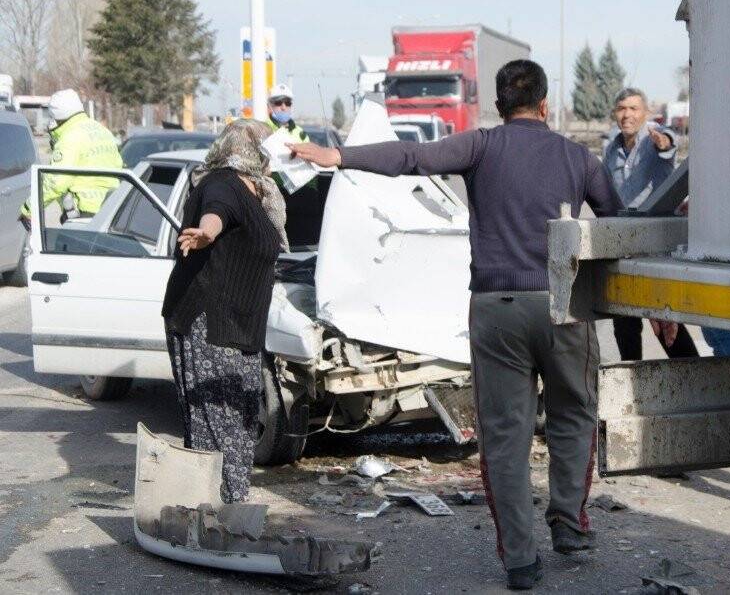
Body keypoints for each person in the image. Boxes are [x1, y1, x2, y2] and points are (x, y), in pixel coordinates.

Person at [289, 60, 620, 591]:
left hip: (494, 310)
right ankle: (568, 521)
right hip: (564, 305)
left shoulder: (481, 147)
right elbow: (618, 225)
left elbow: (411, 158)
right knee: (574, 414)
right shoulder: (578, 157)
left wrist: (339, 156)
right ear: (544, 104)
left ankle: (520, 560)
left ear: (498, 104)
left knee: (506, 437)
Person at [161, 119, 287, 504]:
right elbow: (216, 212)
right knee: (218, 421)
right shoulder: (222, 183)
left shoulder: (259, 191)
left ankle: (218, 508)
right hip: (208, 321)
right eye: (270, 145)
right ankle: (220, 511)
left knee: (242, 415)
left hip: (240, 323)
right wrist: (207, 232)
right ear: (253, 151)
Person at [603, 87, 698, 360]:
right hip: (624, 245)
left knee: (665, 324)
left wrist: (663, 144)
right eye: (622, 109)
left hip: (654, 246)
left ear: (645, 112)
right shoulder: (612, 150)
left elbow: (669, 142)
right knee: (624, 324)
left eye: (633, 108)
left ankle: (691, 374)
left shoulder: (654, 136)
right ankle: (631, 379)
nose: (627, 114)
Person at [21, 89, 122, 223]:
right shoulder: (103, 131)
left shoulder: (69, 138)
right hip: (112, 209)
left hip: (83, 213)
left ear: (58, 116)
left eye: (52, 116)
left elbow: (56, 182)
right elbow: (119, 166)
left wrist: (28, 208)